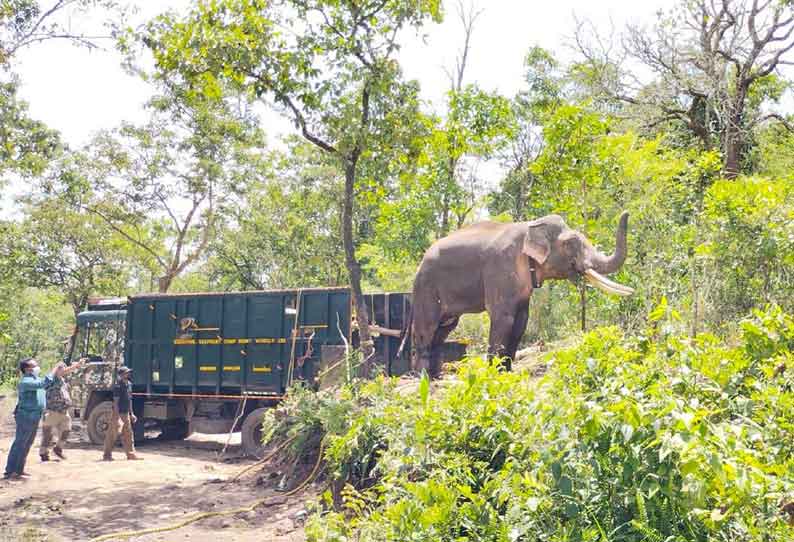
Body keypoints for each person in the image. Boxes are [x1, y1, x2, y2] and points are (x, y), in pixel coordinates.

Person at [4, 359, 51, 480]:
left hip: (35, 415)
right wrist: (55, 370)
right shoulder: (26, 382)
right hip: (26, 416)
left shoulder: (35, 379)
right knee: (20, 443)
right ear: (27, 369)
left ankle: (19, 470)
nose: (37, 367)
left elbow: (49, 382)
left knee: (27, 443)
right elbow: (43, 384)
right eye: (34, 365)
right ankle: (10, 471)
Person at [39, 360, 84, 461]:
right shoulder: (51, 378)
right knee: (48, 435)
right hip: (52, 411)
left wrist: (76, 366)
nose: (63, 370)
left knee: (66, 431)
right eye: (61, 368)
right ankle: (43, 453)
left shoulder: (61, 380)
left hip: (63, 411)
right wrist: (57, 368)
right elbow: (54, 375)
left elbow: (65, 372)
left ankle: (58, 449)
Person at [102, 366, 143, 461]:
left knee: (128, 434)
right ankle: (107, 455)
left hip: (126, 413)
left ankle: (131, 454)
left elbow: (130, 400)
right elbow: (116, 401)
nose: (128, 374)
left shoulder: (129, 384)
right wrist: (116, 417)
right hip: (118, 414)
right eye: (126, 373)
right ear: (121, 374)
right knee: (113, 434)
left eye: (128, 372)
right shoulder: (118, 386)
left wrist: (131, 413)